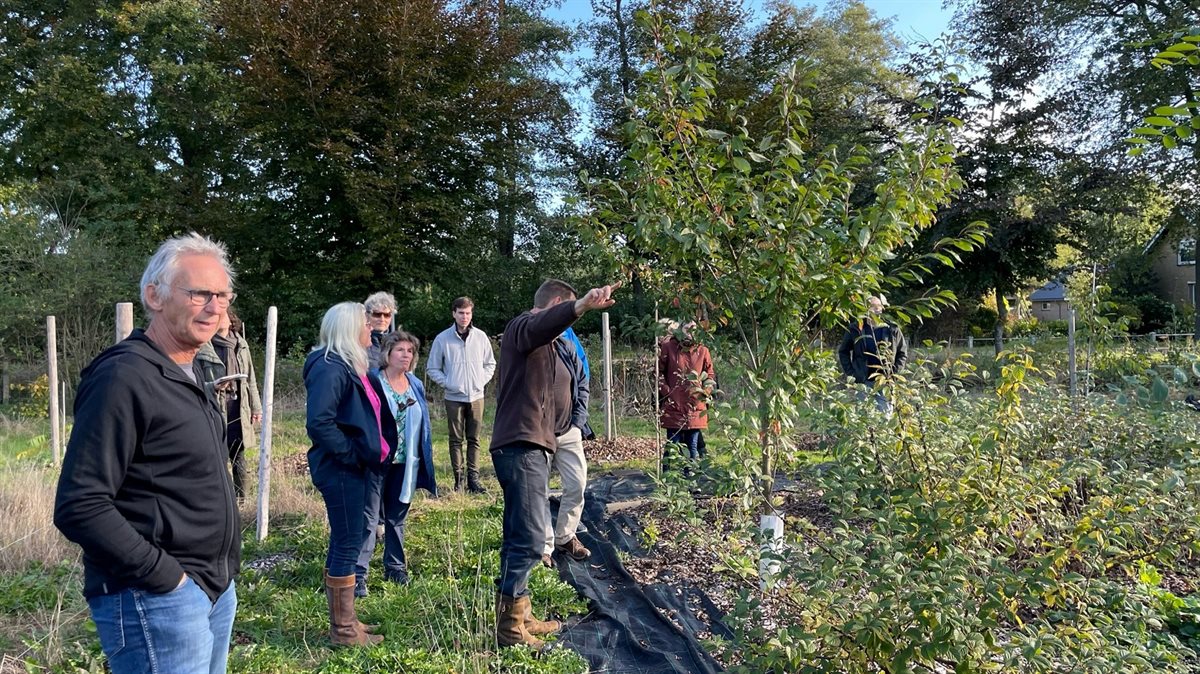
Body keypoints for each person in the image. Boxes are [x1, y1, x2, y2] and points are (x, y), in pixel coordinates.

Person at [53, 233, 241, 674]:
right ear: (154, 296)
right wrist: (168, 579)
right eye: (199, 294)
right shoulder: (124, 377)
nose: (215, 307)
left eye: (222, 294)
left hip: (211, 590)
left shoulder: (191, 369)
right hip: (156, 599)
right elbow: (80, 504)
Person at [491, 278, 619, 649]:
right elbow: (542, 324)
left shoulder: (546, 346)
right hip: (521, 446)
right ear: (556, 304)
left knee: (518, 533)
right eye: (564, 310)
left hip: (533, 445)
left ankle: (519, 611)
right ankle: (510, 629)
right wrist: (580, 306)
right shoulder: (522, 327)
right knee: (531, 538)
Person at [304, 302, 396, 647]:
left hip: (352, 465)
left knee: (347, 537)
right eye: (364, 321)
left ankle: (348, 621)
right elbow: (319, 422)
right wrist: (351, 455)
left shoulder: (347, 363)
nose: (370, 326)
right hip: (341, 468)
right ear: (347, 327)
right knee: (349, 540)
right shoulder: (330, 366)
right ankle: (343, 630)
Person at [355, 332, 438, 595]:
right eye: (400, 350)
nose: (406, 355)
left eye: (410, 351)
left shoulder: (415, 383)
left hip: (407, 462)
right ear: (388, 353)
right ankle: (358, 575)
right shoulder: (373, 381)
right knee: (369, 519)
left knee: (396, 517)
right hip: (377, 461)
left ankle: (395, 568)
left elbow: (422, 422)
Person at [426, 296, 496, 493]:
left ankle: (474, 479)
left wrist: (480, 381)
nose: (464, 317)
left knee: (474, 439)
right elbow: (432, 368)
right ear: (454, 314)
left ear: (471, 314)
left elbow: (490, 364)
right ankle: (459, 480)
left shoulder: (481, 337)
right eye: (461, 313)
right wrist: (449, 383)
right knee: (456, 439)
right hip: (454, 397)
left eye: (468, 313)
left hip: (476, 396)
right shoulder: (442, 339)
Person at [541, 326, 593, 565]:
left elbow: (582, 382)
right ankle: (544, 546)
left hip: (569, 429)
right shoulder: (530, 348)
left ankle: (565, 536)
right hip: (539, 433)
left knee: (577, 483)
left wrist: (578, 421)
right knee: (538, 490)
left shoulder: (567, 346)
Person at [212, 308, 262, 501]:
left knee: (238, 455)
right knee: (219, 456)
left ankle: (242, 500)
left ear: (231, 319)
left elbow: (251, 379)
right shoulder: (205, 345)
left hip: (239, 407)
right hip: (217, 406)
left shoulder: (241, 344)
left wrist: (256, 407)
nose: (218, 317)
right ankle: (222, 500)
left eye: (222, 314)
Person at [658, 320, 716, 470]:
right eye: (687, 329)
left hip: (695, 404)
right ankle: (667, 481)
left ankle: (691, 481)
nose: (690, 333)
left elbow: (709, 374)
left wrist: (706, 391)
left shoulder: (703, 350)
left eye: (694, 330)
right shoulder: (668, 347)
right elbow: (658, 373)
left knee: (692, 446)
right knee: (672, 445)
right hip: (674, 404)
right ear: (680, 330)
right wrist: (667, 392)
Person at [837, 295, 909, 415]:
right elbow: (843, 351)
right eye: (872, 307)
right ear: (865, 309)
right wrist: (852, 373)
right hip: (863, 381)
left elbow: (902, 353)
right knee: (863, 417)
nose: (876, 310)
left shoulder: (892, 329)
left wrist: (893, 374)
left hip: (885, 381)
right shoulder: (856, 328)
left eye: (878, 306)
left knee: (885, 417)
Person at [364, 291, 397, 366]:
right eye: (377, 314)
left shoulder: (396, 342)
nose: (382, 319)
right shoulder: (359, 342)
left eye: (387, 315)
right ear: (367, 315)